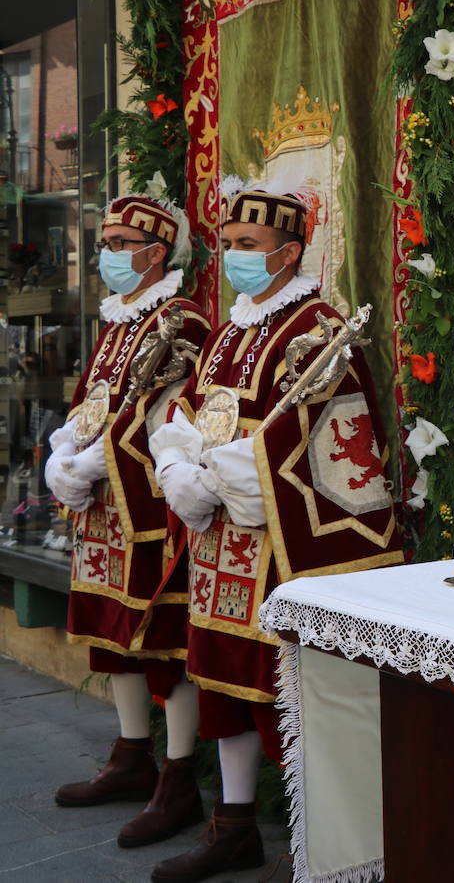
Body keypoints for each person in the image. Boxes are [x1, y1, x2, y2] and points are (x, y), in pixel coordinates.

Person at [147, 182, 403, 882]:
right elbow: (191, 410)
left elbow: (322, 429)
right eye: (227, 244)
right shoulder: (229, 330)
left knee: (282, 691)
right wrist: (177, 466)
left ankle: (319, 841)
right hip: (217, 543)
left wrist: (225, 475)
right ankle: (232, 827)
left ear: (289, 254)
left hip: (277, 545)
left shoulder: (318, 328)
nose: (232, 256)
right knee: (223, 684)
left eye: (247, 245)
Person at [45, 194, 211, 847]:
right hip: (103, 507)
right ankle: (132, 754)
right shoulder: (117, 321)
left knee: (166, 636)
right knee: (113, 633)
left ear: (155, 252)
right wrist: (64, 452)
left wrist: (97, 460)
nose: (107, 253)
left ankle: (179, 777)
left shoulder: (181, 319)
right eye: (105, 242)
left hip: (151, 507)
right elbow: (92, 399)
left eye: (120, 243)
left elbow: (177, 412)